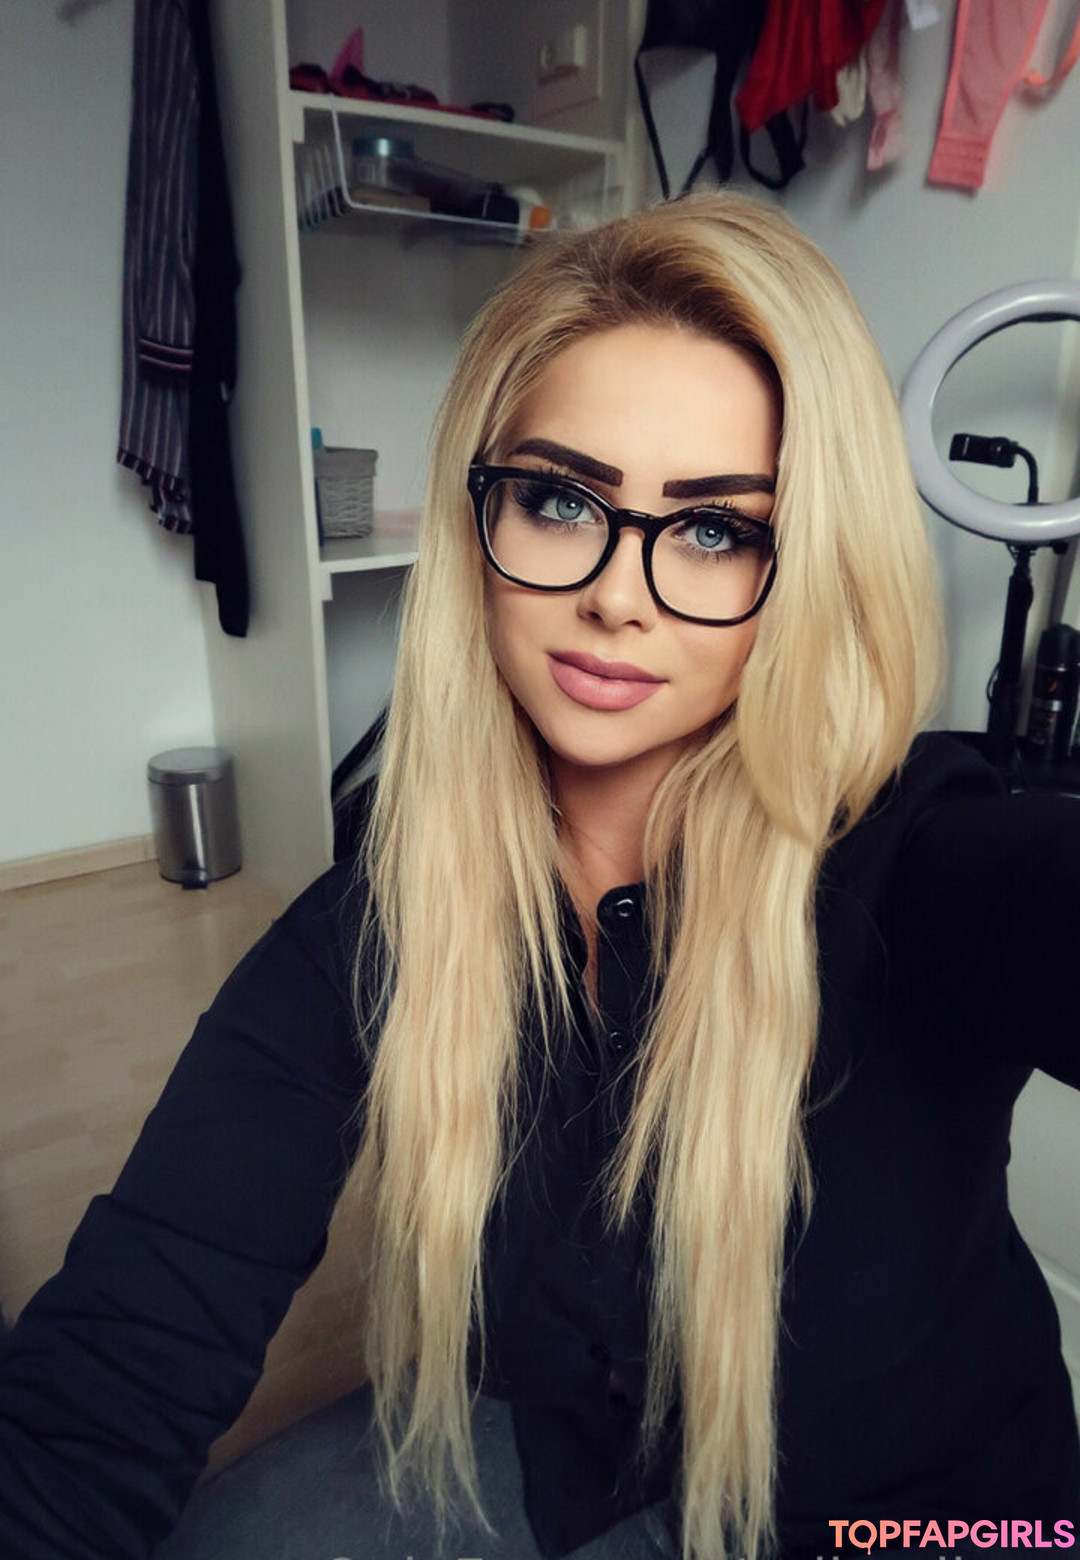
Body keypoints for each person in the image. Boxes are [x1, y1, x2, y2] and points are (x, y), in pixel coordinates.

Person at [1, 192, 1078, 1560]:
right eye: (563, 502)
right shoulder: (393, 910)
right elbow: (111, 1373)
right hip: (584, 1461)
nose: (617, 595)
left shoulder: (916, 858)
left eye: (714, 529)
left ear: (805, 569)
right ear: (481, 523)